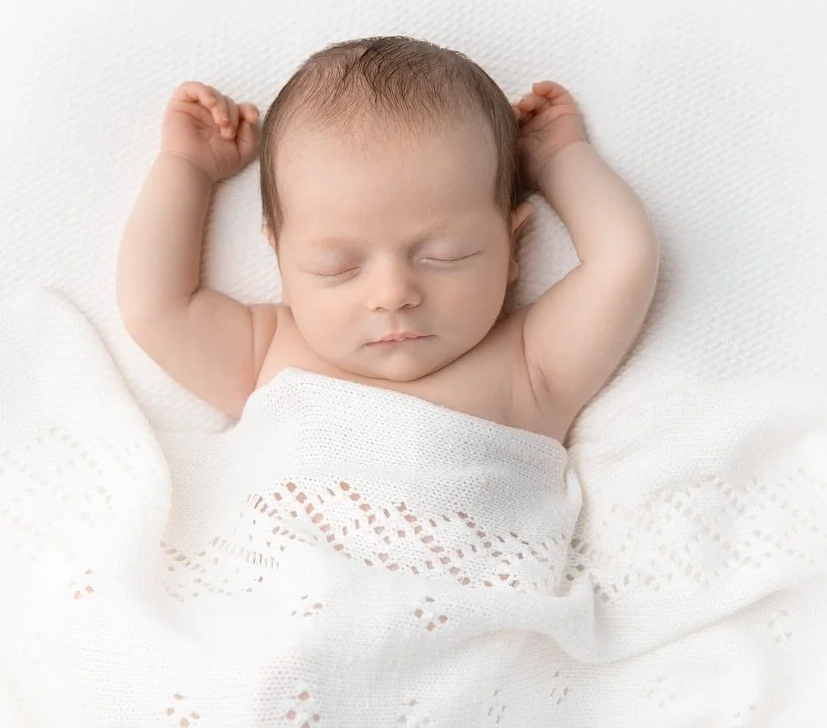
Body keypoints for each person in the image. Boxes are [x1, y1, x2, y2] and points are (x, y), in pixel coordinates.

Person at [116, 36, 658, 444]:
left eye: (445, 255)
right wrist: (186, 167)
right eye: (335, 266)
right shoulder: (268, 354)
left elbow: (623, 260)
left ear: (511, 249)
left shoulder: (530, 367)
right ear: (280, 259)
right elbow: (156, 306)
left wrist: (560, 159)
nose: (393, 293)